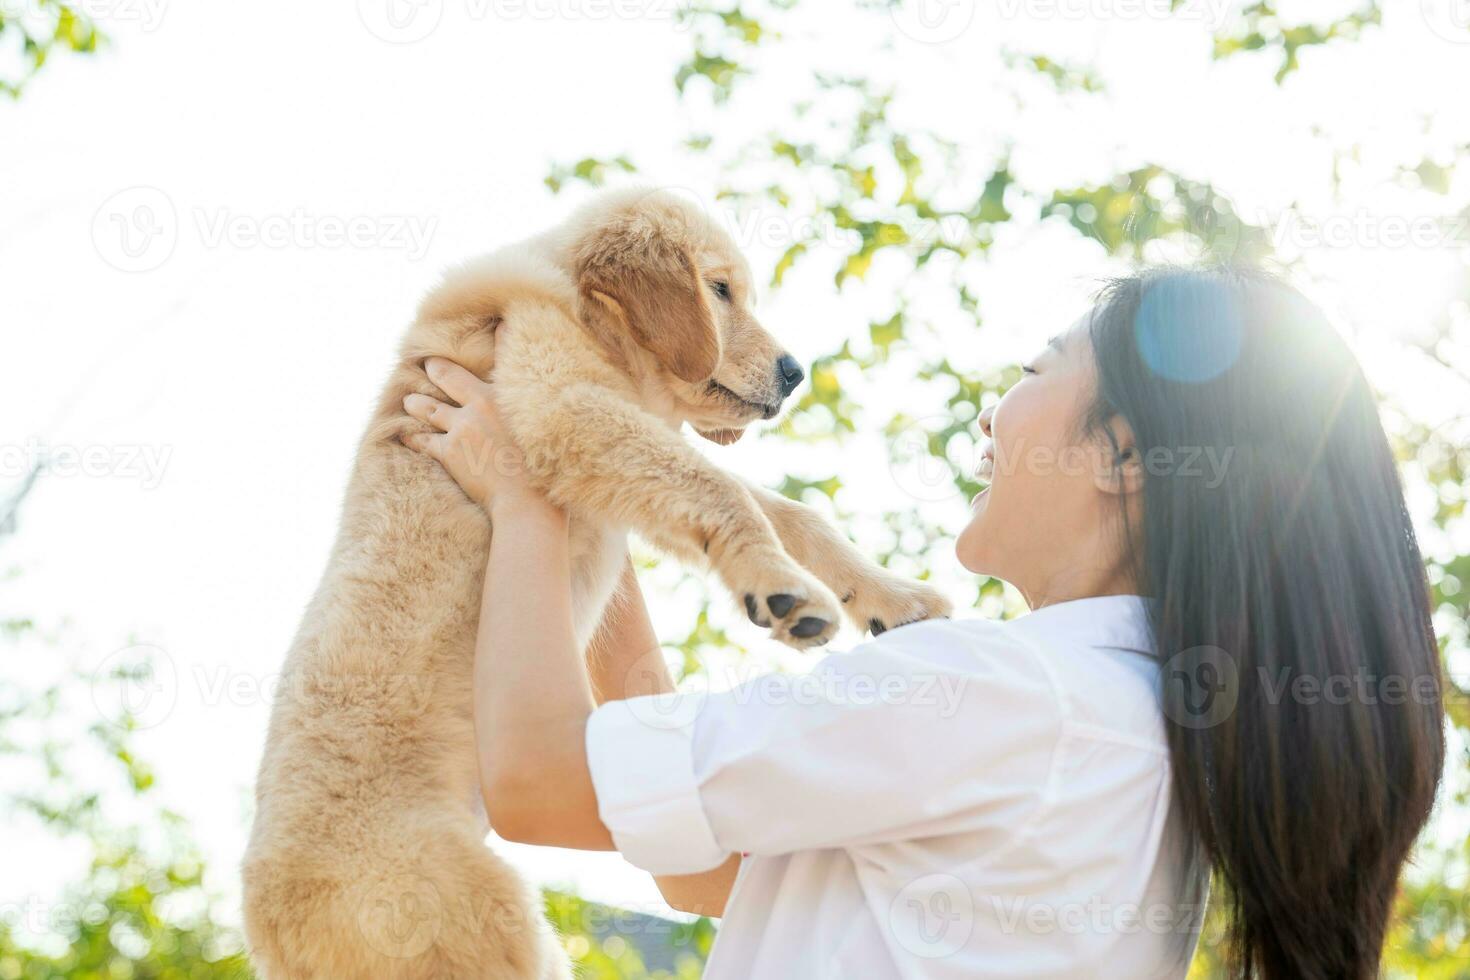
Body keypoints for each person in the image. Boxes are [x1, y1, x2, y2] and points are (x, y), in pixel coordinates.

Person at [402, 265, 1445, 979]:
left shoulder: (1004, 693)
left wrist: (528, 499)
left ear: (1124, 456)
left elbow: (541, 782)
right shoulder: (1151, 735)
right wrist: (604, 486)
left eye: (1036, 371)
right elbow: (694, 860)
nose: (992, 413)